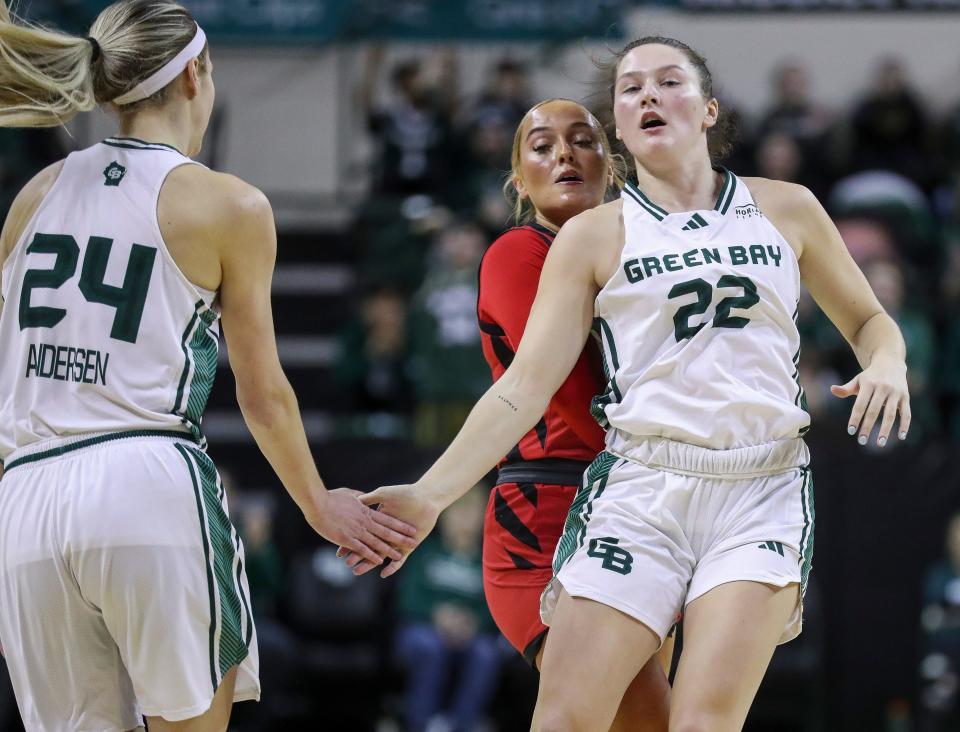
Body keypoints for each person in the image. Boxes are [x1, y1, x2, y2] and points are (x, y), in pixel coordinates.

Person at [347, 36, 911, 731]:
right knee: (567, 720)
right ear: (618, 126)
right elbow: (523, 387)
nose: (646, 94)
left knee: (700, 723)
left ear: (708, 108)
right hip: (641, 486)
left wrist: (888, 362)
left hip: (758, 489)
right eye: (630, 87)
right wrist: (431, 496)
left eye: (666, 81)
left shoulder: (787, 206)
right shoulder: (592, 237)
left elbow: (869, 322)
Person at [0, 2, 415, 730]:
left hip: (25, 496)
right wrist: (319, 504)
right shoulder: (229, 204)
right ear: (196, 74)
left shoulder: (34, 195)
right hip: (140, 475)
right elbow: (263, 393)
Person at [477, 98, 669, 729]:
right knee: (631, 715)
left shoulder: (645, 260)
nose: (563, 153)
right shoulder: (517, 253)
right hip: (549, 512)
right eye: (541, 145)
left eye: (582, 139)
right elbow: (573, 397)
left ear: (610, 165)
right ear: (518, 179)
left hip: (640, 511)